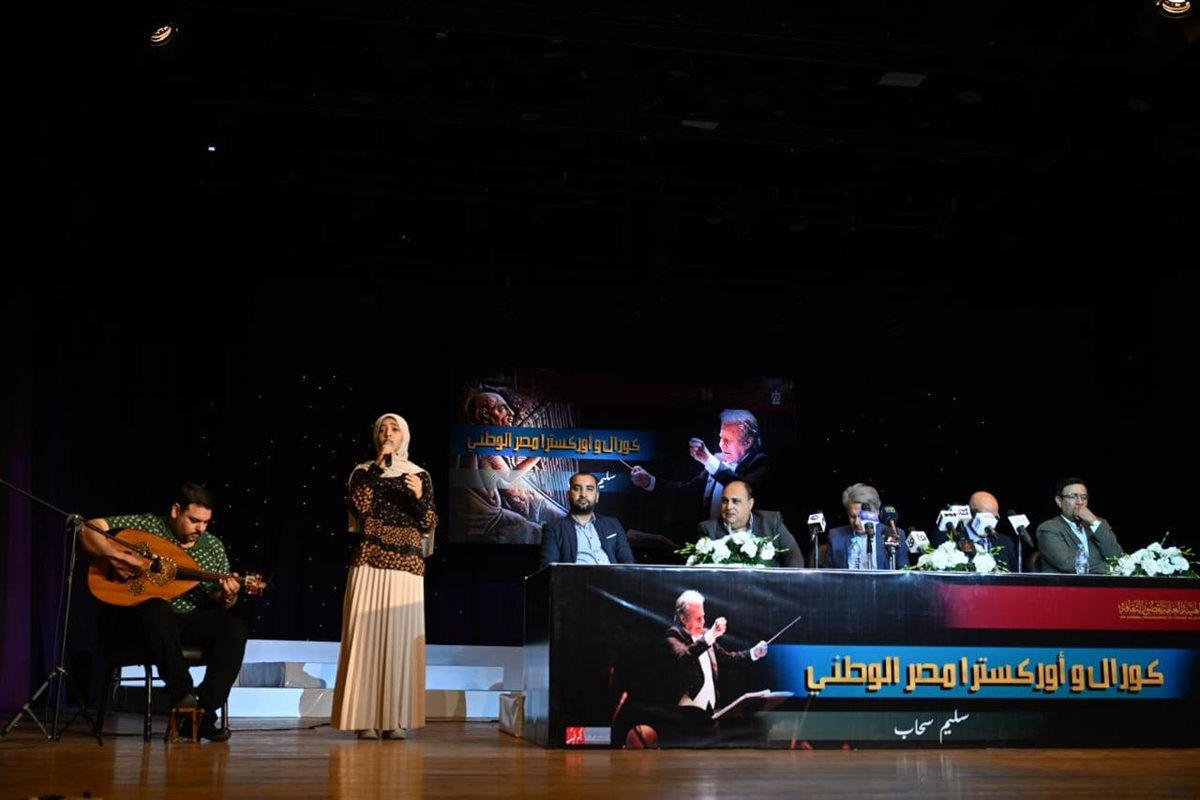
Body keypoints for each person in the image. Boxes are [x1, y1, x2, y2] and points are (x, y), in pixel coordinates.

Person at [79, 482, 247, 742]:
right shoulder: (148, 526)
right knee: (157, 608)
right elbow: (89, 528)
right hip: (143, 622)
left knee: (233, 628)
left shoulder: (213, 547)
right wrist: (116, 556)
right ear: (176, 510)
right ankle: (183, 695)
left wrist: (228, 595)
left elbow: (220, 601)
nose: (200, 529)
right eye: (194, 521)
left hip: (187, 620)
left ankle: (200, 712)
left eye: (206, 522)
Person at [332, 414, 437, 740]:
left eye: (394, 429)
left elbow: (429, 523)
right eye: (382, 429)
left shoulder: (419, 475)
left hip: (406, 564)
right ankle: (363, 718)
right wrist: (377, 467)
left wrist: (419, 496)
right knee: (365, 640)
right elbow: (359, 508)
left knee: (400, 643)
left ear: (404, 436)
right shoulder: (363, 472)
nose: (387, 434)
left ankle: (395, 719)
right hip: (370, 558)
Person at [629, 409, 769, 524]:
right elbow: (688, 491)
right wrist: (650, 481)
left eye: (728, 440)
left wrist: (709, 461)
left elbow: (742, 490)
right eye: (721, 437)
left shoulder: (760, 462)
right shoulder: (718, 460)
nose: (721, 444)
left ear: (747, 442)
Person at [456, 391, 544, 543]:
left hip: (486, 513)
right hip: (485, 518)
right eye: (503, 408)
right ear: (484, 414)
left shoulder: (481, 441)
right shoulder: (483, 444)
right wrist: (536, 457)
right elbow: (509, 476)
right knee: (536, 531)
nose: (511, 413)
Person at [693, 480, 804, 567]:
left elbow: (794, 557)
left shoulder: (771, 521)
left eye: (735, 501)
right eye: (725, 501)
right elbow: (703, 570)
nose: (729, 507)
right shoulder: (708, 529)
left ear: (750, 504)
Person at [538, 471, 636, 567]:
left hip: (613, 577)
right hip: (576, 577)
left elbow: (629, 563)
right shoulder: (554, 529)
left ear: (597, 496)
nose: (583, 494)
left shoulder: (613, 525)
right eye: (577, 488)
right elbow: (549, 569)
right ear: (568, 495)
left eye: (589, 489)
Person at [1036, 477, 1124, 574]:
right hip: (1066, 583)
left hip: (1102, 582)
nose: (1080, 502)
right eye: (1073, 497)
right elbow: (1067, 563)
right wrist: (1112, 569)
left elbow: (1118, 558)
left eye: (1084, 497)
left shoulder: (1098, 525)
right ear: (1059, 501)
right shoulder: (1048, 528)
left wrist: (1094, 522)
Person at [824, 482, 911, 570]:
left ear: (876, 513)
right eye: (852, 516)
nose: (857, 522)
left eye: (862, 516)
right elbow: (827, 576)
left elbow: (904, 572)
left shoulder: (895, 534)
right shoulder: (836, 537)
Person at [929, 491, 1019, 572]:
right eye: (985, 517)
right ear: (970, 512)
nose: (990, 523)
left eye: (994, 517)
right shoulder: (947, 537)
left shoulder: (1005, 543)